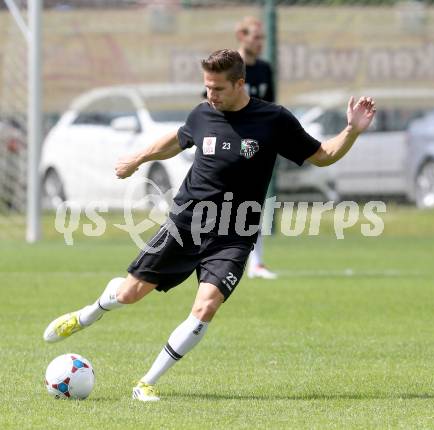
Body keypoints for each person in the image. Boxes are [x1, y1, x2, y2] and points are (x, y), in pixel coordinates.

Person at [43, 49, 376, 402]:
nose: (210, 95)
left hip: (235, 233)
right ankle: (86, 315)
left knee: (206, 307)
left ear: (239, 84)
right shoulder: (203, 112)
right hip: (186, 223)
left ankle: (146, 382)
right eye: (206, 87)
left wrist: (352, 131)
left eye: (217, 88)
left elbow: (322, 155)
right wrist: (139, 158)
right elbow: (178, 138)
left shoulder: (274, 119)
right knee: (130, 294)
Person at [236, 16, 277, 279]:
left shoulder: (264, 69)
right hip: (231, 142)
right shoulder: (230, 66)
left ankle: (257, 263)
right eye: (256, 37)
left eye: (262, 38)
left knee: (253, 204)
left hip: (256, 145)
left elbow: (271, 107)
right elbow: (210, 100)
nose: (260, 42)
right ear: (241, 35)